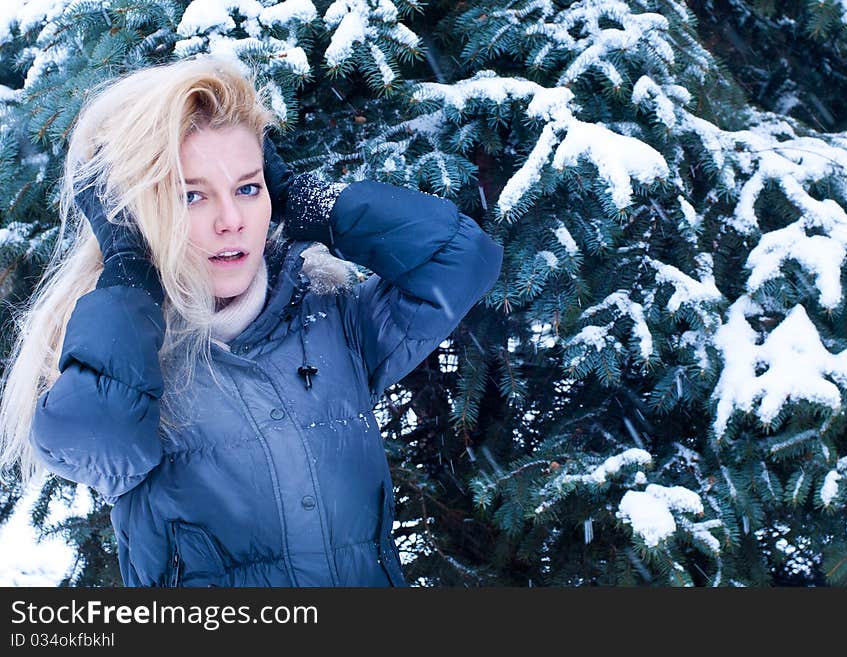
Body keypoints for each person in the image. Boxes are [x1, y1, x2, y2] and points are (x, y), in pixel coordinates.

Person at [0, 55, 503, 587]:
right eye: (190, 195)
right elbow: (91, 433)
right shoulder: (126, 369)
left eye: (247, 188)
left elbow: (461, 260)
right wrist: (129, 269)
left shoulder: (331, 324)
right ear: (139, 211)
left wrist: (313, 204)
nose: (232, 221)